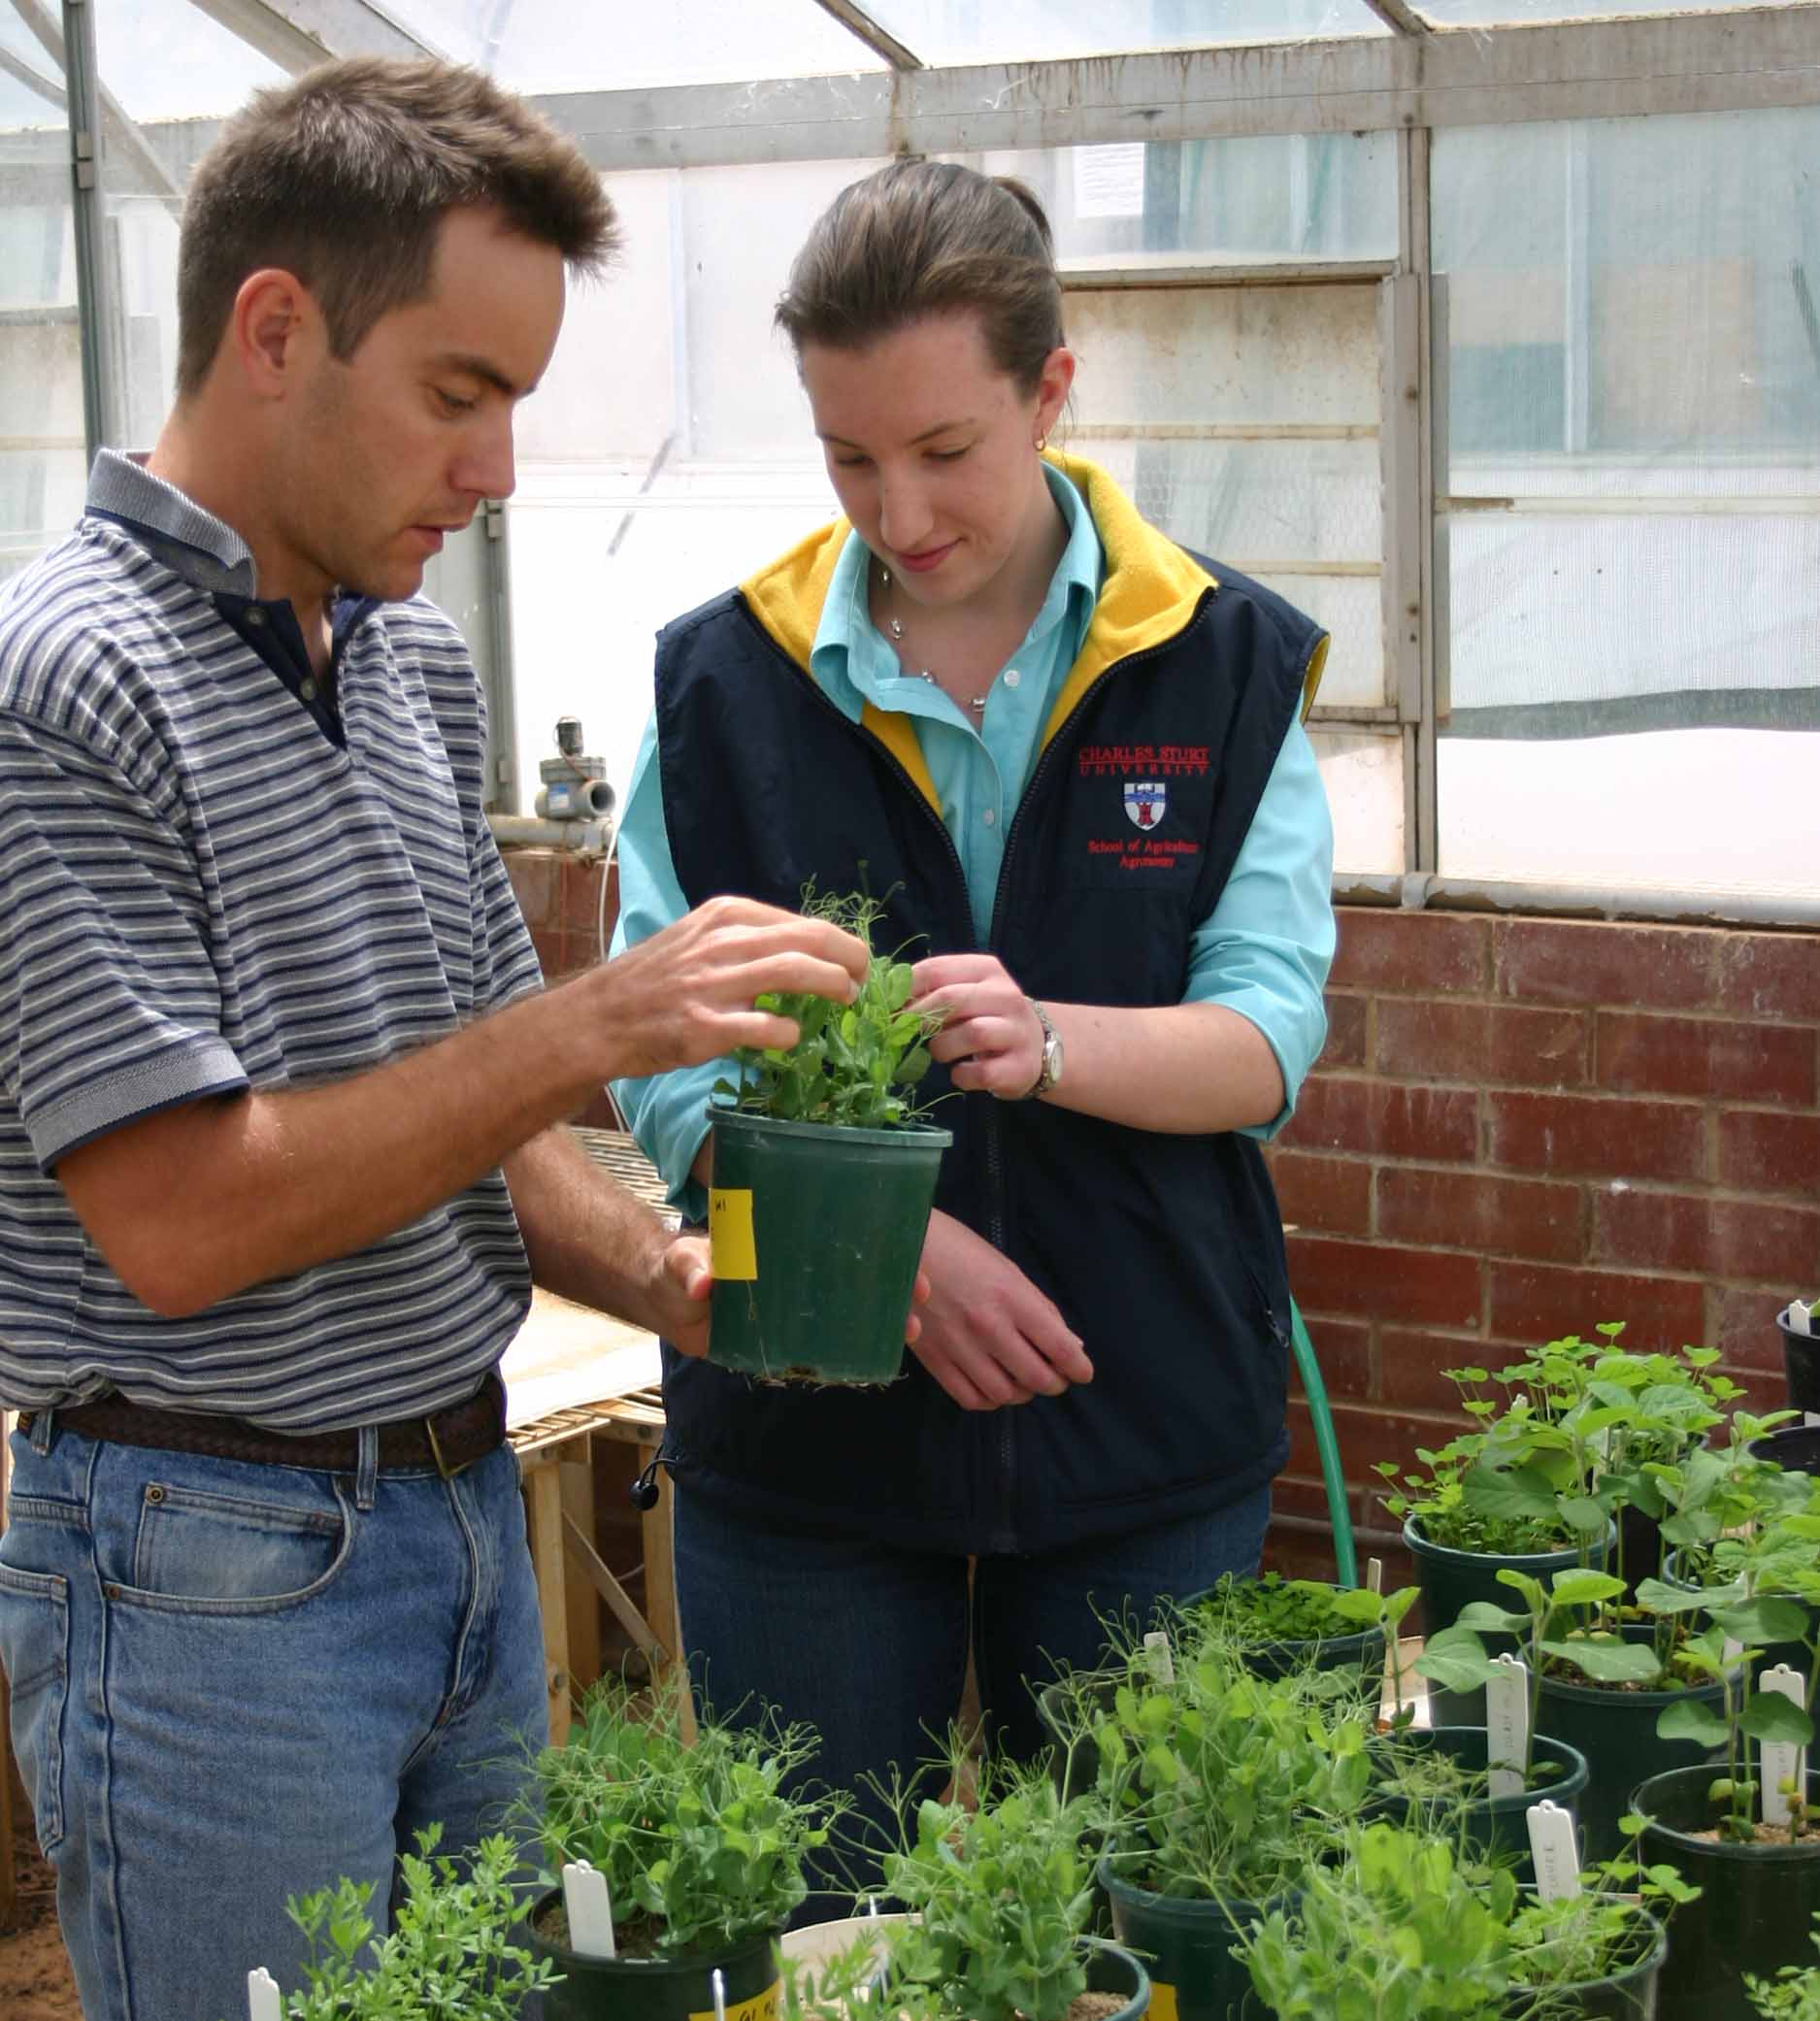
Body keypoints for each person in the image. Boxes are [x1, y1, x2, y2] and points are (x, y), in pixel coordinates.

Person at [0, 59, 878, 2021]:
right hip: (209, 1567)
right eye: (457, 395)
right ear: (274, 328)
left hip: (458, 1520)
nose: (492, 474)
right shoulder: (65, 685)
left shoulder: (403, 654)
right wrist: (594, 1027)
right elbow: (180, 1224)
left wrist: (662, 1276)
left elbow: (464, 1113)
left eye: (516, 409)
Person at [611, 159, 1338, 1880]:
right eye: (849, 454)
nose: (898, 509)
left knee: (1123, 1926)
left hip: (1136, 1434)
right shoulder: (729, 680)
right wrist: (885, 1246)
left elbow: (1265, 1039)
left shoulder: (1218, 659)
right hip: (806, 1448)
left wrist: (1057, 1041)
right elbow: (657, 1051)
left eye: (946, 450)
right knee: (811, 1925)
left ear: (1052, 390)